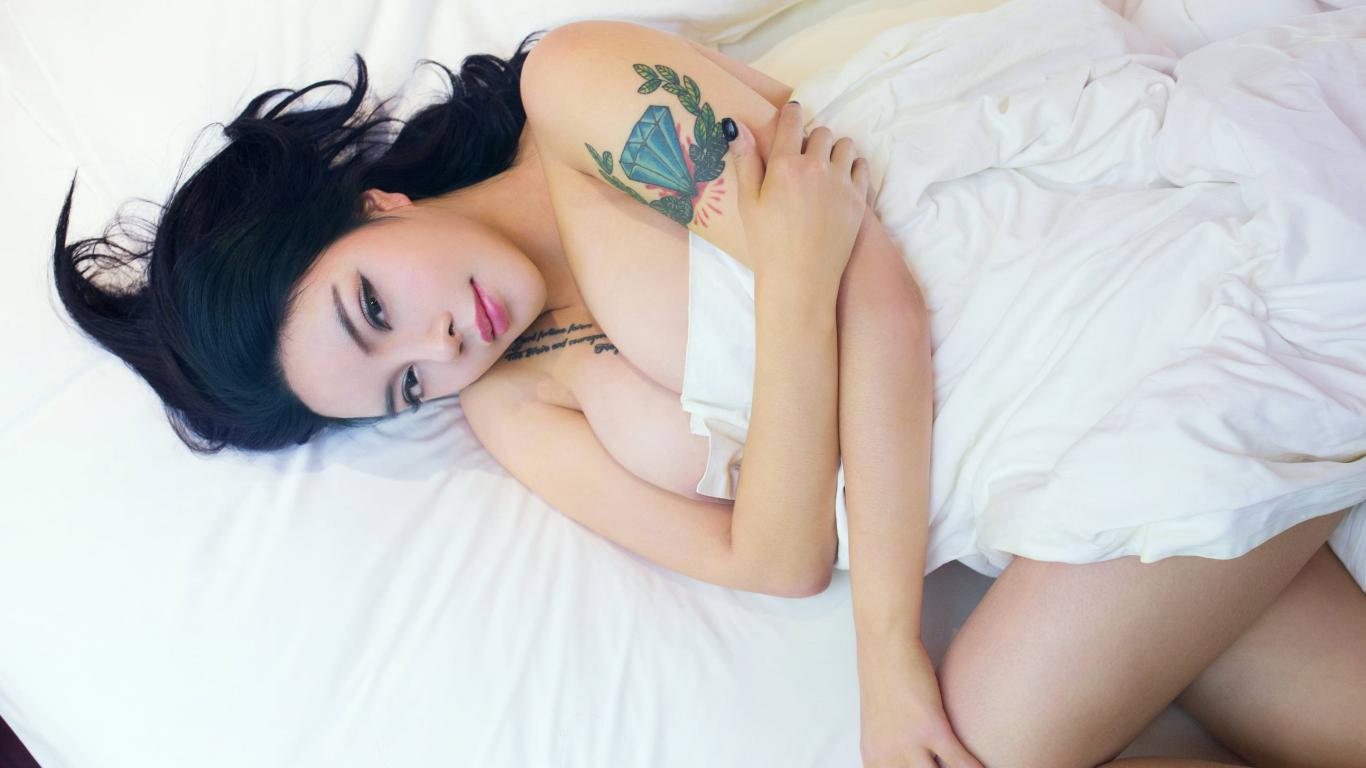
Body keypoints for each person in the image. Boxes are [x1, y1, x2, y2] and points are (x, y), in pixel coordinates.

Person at [51, 19, 1365, 768]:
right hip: (1035, 464)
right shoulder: (513, 407)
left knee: (990, 737)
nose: (441, 344)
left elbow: (877, 296)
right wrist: (791, 284)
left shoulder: (577, 94)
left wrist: (889, 657)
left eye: (375, 304)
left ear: (373, 203)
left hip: (1096, 274)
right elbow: (776, 559)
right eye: (401, 384)